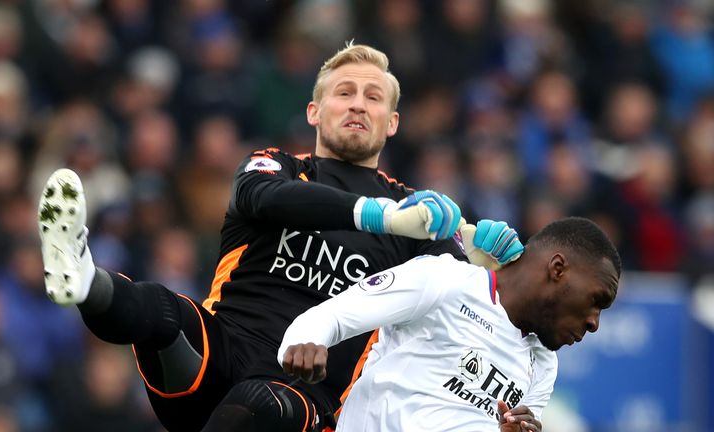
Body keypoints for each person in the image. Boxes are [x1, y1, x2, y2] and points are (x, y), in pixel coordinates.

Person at [37, 43, 523, 431]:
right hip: (217, 356)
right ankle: (82, 277)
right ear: (314, 111)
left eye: (374, 97)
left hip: (306, 396)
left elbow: (465, 300)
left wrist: (487, 263)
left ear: (392, 122)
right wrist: (382, 217)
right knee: (162, 309)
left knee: (263, 400)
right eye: (344, 92)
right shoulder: (278, 166)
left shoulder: (414, 216)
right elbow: (263, 197)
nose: (358, 103)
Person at [279, 217, 621, 432]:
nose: (594, 323)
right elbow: (333, 315)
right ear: (558, 269)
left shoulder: (544, 364)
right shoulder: (446, 280)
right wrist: (306, 341)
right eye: (597, 300)